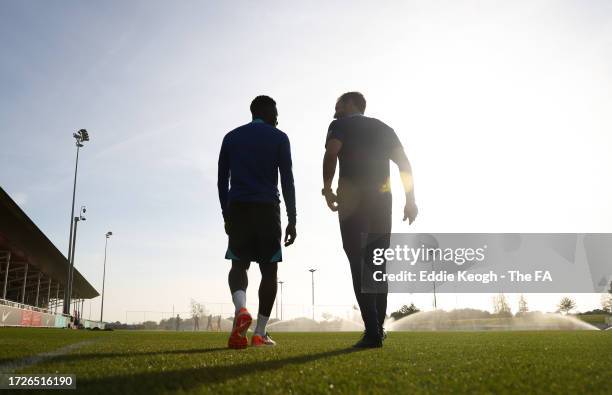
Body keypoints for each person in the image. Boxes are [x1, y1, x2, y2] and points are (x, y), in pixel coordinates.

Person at [322, 92, 418, 348]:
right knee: (377, 264)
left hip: (353, 200)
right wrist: (410, 200)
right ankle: (379, 328)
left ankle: (372, 330)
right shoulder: (384, 128)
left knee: (358, 260)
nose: (335, 108)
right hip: (382, 200)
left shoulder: (339, 125)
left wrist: (327, 188)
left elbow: (332, 153)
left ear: (351, 104)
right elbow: (404, 164)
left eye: (338, 103)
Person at [218, 95, 297, 349]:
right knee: (269, 270)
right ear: (266, 112)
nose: (278, 118)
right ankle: (260, 333)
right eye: (276, 113)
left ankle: (241, 309)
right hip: (267, 208)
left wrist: (226, 214)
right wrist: (292, 219)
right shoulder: (279, 137)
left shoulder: (231, 137)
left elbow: (222, 181)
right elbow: (287, 180)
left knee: (239, 265)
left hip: (238, 207)